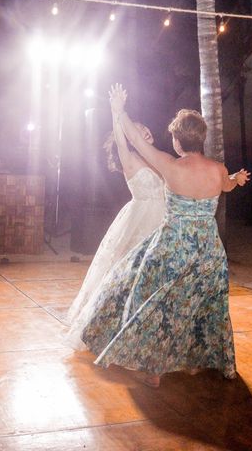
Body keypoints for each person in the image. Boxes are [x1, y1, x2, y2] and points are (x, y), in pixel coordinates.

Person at [80, 84, 250, 387]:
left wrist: (119, 111)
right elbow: (227, 186)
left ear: (177, 140)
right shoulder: (218, 168)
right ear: (201, 139)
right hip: (209, 249)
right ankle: (203, 362)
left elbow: (133, 139)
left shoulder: (169, 165)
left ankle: (153, 370)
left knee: (154, 304)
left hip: (173, 247)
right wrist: (236, 178)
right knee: (204, 304)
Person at [66, 112, 166, 348]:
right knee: (125, 277)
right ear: (130, 136)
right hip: (140, 219)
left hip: (164, 220)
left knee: (153, 278)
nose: (146, 131)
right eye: (139, 129)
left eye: (145, 127)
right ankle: (110, 328)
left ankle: (147, 330)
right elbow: (121, 139)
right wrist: (116, 109)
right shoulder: (128, 157)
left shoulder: (157, 158)